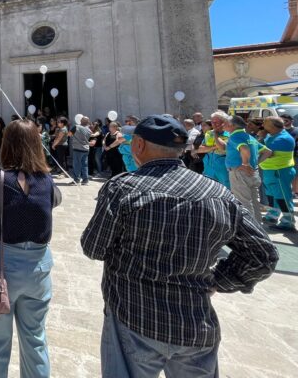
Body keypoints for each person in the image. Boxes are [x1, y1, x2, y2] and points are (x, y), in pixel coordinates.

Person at [81, 115, 278, 378]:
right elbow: (263, 254)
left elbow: (94, 248)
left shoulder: (123, 188)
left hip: (134, 313)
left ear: (138, 145)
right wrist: (219, 280)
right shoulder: (217, 192)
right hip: (196, 324)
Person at [0, 119, 55, 378]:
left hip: (1, 269)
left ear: (6, 145)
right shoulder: (47, 180)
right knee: (35, 340)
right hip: (37, 271)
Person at [259, 116, 296, 231]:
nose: (262, 125)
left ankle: (288, 220)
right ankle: (273, 215)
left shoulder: (283, 138)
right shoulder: (273, 136)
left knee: (283, 196)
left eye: (265, 123)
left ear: (272, 126)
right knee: (272, 195)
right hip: (271, 171)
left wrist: (261, 137)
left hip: (280, 171)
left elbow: (265, 151)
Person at [224, 115, 262, 221]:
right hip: (253, 172)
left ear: (232, 125)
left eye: (225, 123)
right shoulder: (250, 137)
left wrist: (246, 163)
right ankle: (258, 228)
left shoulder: (235, 136)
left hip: (240, 172)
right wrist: (253, 164)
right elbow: (267, 152)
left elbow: (244, 149)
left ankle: (250, 231)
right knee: (254, 202)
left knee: (243, 202)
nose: (223, 125)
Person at [197, 111, 230, 188]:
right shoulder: (208, 133)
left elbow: (223, 148)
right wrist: (214, 147)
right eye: (212, 122)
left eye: (217, 122)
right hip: (208, 167)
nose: (214, 125)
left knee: (226, 191)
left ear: (224, 122)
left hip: (223, 169)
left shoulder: (229, 134)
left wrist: (215, 135)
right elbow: (200, 149)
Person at [69, 116, 92, 184]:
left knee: (77, 165)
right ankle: (85, 179)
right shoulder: (89, 130)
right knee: (84, 165)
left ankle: (76, 179)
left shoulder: (76, 127)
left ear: (81, 120)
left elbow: (69, 134)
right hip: (86, 149)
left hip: (78, 148)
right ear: (88, 122)